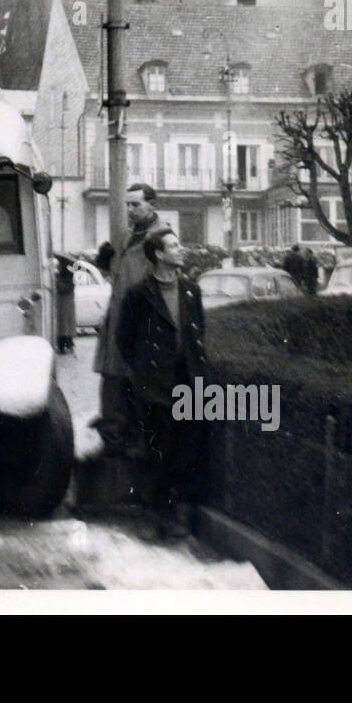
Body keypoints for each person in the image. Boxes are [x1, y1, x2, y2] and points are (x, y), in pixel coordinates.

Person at [115, 228, 209, 538]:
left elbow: (198, 335)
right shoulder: (139, 294)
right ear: (158, 254)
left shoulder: (192, 289)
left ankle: (177, 512)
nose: (181, 250)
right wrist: (146, 373)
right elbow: (125, 340)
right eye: (174, 245)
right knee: (159, 450)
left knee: (187, 448)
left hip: (189, 380)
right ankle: (157, 517)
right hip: (156, 384)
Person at [90, 183, 171, 458]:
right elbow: (123, 274)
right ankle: (113, 436)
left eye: (136, 204)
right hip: (118, 316)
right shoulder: (127, 236)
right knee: (113, 376)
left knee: (139, 379)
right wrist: (106, 262)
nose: (130, 209)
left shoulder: (162, 238)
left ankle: (139, 439)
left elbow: (166, 282)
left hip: (142, 319)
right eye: (127, 204)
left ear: (152, 205)